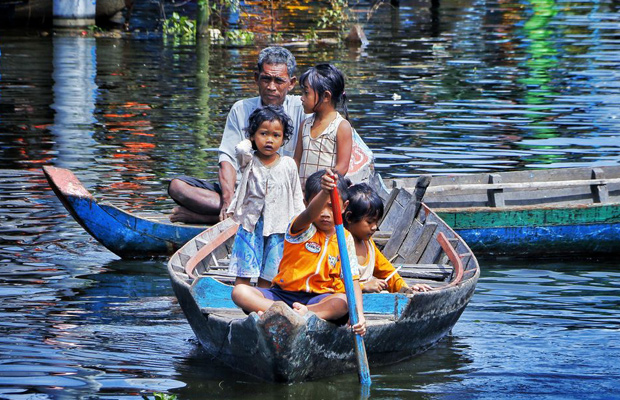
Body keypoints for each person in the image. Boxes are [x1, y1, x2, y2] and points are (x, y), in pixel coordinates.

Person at [168, 46, 307, 224]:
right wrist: (227, 202)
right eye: (266, 79)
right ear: (256, 79)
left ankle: (205, 218)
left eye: (278, 81)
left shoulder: (302, 109)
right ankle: (233, 214)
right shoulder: (240, 109)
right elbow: (227, 159)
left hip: (282, 195)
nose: (271, 87)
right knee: (178, 187)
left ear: (291, 83)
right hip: (241, 193)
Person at [231, 169, 367, 336]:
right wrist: (325, 193)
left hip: (317, 300)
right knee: (239, 292)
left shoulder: (344, 238)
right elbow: (310, 214)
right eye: (320, 206)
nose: (325, 214)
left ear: (344, 207)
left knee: (344, 302)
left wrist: (359, 315)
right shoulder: (301, 227)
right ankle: (284, 313)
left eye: (332, 206)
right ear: (306, 203)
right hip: (281, 295)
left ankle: (299, 313)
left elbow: (352, 280)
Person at [226, 105, 305, 288]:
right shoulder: (249, 160)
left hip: (278, 227)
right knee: (244, 271)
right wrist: (251, 139)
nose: (269, 140)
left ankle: (261, 304)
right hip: (251, 225)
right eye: (263, 134)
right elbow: (240, 149)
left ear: (284, 139)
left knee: (269, 275)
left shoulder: (288, 164)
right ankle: (243, 299)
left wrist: (299, 224)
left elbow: (296, 197)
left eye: (276, 135)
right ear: (253, 136)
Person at [344, 183, 432, 294]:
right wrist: (363, 286)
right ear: (349, 217)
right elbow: (332, 284)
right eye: (369, 222)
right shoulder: (339, 244)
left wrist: (406, 289)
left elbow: (387, 272)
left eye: (376, 222)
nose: (374, 227)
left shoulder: (368, 244)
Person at [294, 63, 353, 189]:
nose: (301, 98)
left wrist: (322, 187)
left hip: (325, 194)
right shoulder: (305, 124)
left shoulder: (341, 126)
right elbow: (296, 160)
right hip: (302, 194)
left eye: (306, 93)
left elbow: (342, 167)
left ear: (326, 96)